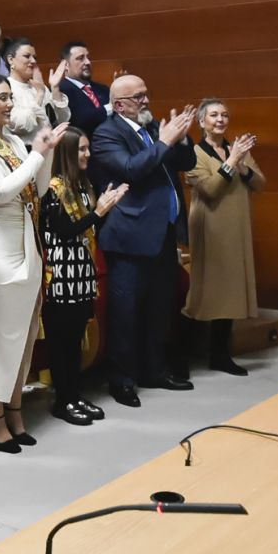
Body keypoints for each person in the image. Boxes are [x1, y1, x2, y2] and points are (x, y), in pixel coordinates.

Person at [0, 77, 65, 450]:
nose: (9, 103)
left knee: (22, 336)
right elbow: (0, 191)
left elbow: (35, 189)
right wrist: (36, 154)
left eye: (10, 96)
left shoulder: (14, 142)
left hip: (24, 243)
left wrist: (45, 150)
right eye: (2, 98)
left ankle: (15, 410)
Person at [91, 75, 197, 405]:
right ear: (119, 104)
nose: (146, 101)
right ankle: (122, 379)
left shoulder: (152, 129)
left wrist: (179, 139)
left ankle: (154, 369)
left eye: (147, 94)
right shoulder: (106, 133)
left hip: (162, 233)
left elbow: (187, 163)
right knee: (125, 311)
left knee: (159, 306)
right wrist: (164, 141)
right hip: (128, 237)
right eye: (138, 97)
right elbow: (131, 169)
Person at [41, 128, 125, 425]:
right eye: (81, 150)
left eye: (88, 149)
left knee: (77, 341)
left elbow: (87, 231)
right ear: (66, 153)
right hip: (62, 276)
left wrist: (101, 210)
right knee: (61, 343)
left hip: (82, 272)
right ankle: (63, 400)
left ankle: (74, 395)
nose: (87, 154)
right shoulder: (53, 187)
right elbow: (64, 233)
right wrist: (99, 212)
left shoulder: (80, 184)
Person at [183, 99, 262, 375]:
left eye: (225, 115)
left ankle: (220, 354)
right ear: (202, 122)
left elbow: (260, 182)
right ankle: (185, 354)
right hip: (210, 226)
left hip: (236, 226)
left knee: (230, 289)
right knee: (207, 289)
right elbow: (210, 189)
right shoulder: (194, 152)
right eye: (214, 115)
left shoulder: (236, 148)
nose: (220, 119)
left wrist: (243, 167)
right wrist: (231, 161)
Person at [3, 35, 70, 147]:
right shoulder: (6, 88)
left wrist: (55, 88)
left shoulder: (38, 86)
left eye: (35, 57)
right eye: (27, 56)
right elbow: (22, 125)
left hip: (50, 150)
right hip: (25, 153)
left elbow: (63, 119)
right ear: (10, 60)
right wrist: (39, 96)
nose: (33, 61)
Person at [57, 39, 110, 135]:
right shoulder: (60, 91)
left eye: (88, 57)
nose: (88, 62)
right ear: (65, 65)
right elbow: (80, 121)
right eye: (81, 58)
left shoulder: (104, 89)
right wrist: (110, 108)